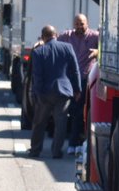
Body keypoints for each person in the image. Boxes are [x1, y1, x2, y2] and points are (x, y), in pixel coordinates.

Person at [26, 25, 81, 159]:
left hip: (45, 93)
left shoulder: (38, 52)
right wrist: (77, 89)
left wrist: (36, 94)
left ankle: (35, 150)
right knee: (60, 124)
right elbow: (75, 70)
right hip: (63, 92)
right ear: (55, 35)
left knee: (39, 123)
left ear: (43, 37)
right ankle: (56, 152)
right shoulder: (67, 48)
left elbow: (37, 76)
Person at [57, 13, 99, 152]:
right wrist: (41, 43)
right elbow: (53, 40)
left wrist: (98, 52)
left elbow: (107, 47)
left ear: (87, 23)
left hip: (85, 79)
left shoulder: (95, 36)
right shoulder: (67, 36)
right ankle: (73, 143)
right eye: (77, 24)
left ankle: (75, 143)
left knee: (79, 112)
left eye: (82, 23)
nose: (79, 26)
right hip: (69, 80)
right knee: (68, 111)